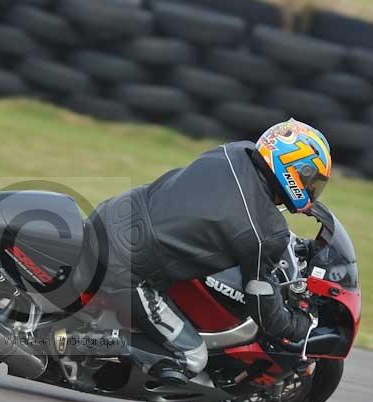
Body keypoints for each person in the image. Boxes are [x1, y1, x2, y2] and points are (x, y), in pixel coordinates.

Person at [89, 118, 333, 385]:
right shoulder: (265, 231)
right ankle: (87, 342)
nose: (312, 189)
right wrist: (298, 326)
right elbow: (262, 307)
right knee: (192, 357)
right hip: (127, 269)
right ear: (294, 170)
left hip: (113, 214)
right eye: (312, 180)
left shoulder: (234, 152)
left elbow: (237, 220)